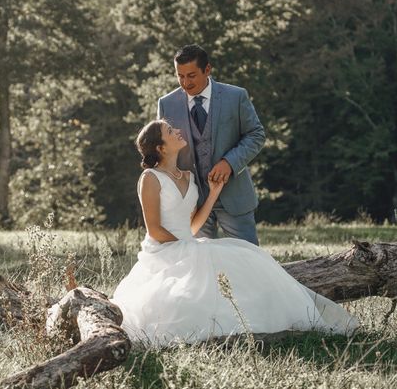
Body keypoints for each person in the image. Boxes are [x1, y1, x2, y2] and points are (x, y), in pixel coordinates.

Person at [111, 120, 357, 346]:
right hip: (163, 251)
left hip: (188, 244)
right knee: (185, 296)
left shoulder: (188, 176)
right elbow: (154, 230)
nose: (177, 131)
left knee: (252, 259)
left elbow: (193, 226)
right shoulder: (150, 178)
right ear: (161, 148)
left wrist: (215, 191)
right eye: (169, 132)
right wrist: (188, 247)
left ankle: (279, 321)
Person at [157, 44, 264, 245]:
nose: (185, 83)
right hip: (192, 201)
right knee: (200, 264)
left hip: (233, 195)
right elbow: (164, 152)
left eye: (191, 75)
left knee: (249, 258)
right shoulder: (166, 103)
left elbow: (256, 134)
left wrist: (230, 163)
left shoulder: (236, 96)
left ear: (207, 70)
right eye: (180, 76)